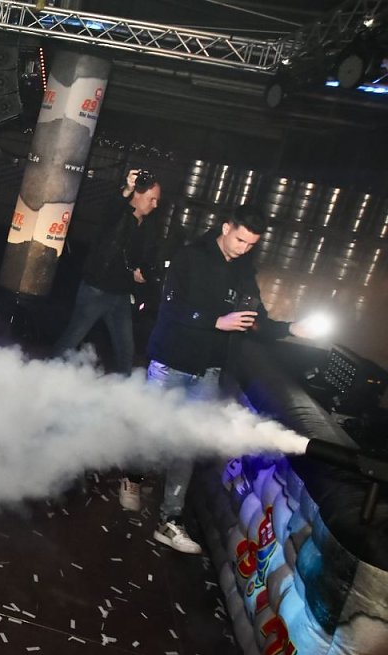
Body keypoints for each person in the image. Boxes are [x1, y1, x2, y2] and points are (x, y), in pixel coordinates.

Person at [137, 205, 320, 553]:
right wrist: (214, 321)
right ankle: (133, 476)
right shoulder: (190, 257)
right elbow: (170, 307)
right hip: (171, 361)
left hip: (207, 371)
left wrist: (291, 328)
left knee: (187, 443)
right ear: (226, 227)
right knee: (148, 431)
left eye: (251, 245)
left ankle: (169, 519)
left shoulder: (243, 272)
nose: (243, 249)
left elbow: (256, 321)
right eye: (240, 240)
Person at [53, 169, 162, 375]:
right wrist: (127, 188)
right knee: (71, 339)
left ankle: (123, 389)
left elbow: (144, 257)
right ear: (138, 195)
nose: (155, 205)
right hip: (97, 290)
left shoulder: (148, 226)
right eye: (152, 199)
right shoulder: (117, 215)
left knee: (125, 351)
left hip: (121, 294)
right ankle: (43, 375)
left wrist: (141, 272)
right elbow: (112, 209)